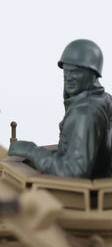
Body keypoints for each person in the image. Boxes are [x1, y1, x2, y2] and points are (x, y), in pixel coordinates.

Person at [8, 39, 112, 179]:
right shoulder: (105, 100)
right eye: (66, 72)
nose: (68, 78)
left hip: (79, 187)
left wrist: (31, 150)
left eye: (76, 72)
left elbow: (73, 171)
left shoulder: (84, 113)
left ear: (92, 73)